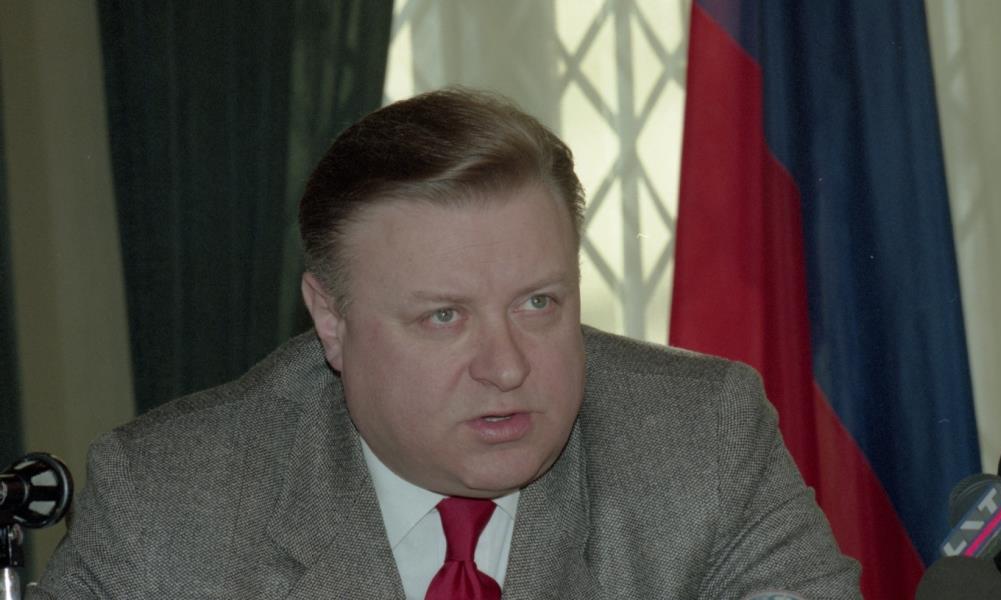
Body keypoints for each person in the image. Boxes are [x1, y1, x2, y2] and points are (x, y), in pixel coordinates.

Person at [31, 88, 861, 599]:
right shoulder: (170, 505)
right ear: (330, 319)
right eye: (444, 317)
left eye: (538, 303)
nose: (506, 366)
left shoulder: (699, 440)